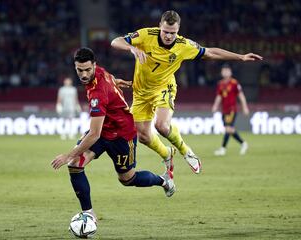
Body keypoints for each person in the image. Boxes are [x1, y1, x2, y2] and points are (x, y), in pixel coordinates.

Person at [111, 10, 262, 174]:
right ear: (160, 26)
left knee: (161, 126)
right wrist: (131, 48)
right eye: (166, 32)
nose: (169, 36)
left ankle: (185, 151)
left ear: (178, 30)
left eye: (173, 33)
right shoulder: (145, 35)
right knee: (143, 137)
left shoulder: (184, 46)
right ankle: (167, 154)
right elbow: (115, 41)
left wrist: (240, 57)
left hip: (164, 88)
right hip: (140, 92)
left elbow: (210, 52)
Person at [51, 47, 175, 221]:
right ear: (75, 67)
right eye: (80, 70)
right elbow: (97, 130)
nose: (84, 74)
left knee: (127, 179)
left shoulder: (97, 94)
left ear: (94, 65)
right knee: (75, 164)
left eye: (87, 70)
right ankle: (88, 213)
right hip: (104, 130)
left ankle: (163, 180)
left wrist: (67, 155)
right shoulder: (100, 72)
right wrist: (115, 82)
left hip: (123, 136)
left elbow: (93, 134)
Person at [212, 65, 249, 156]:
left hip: (232, 109)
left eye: (227, 71)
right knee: (229, 129)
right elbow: (219, 96)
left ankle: (223, 149)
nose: (225, 72)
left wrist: (245, 107)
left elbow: (241, 96)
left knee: (228, 129)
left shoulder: (234, 83)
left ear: (230, 72)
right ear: (221, 73)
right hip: (224, 110)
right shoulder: (220, 84)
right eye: (223, 71)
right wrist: (215, 105)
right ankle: (243, 144)